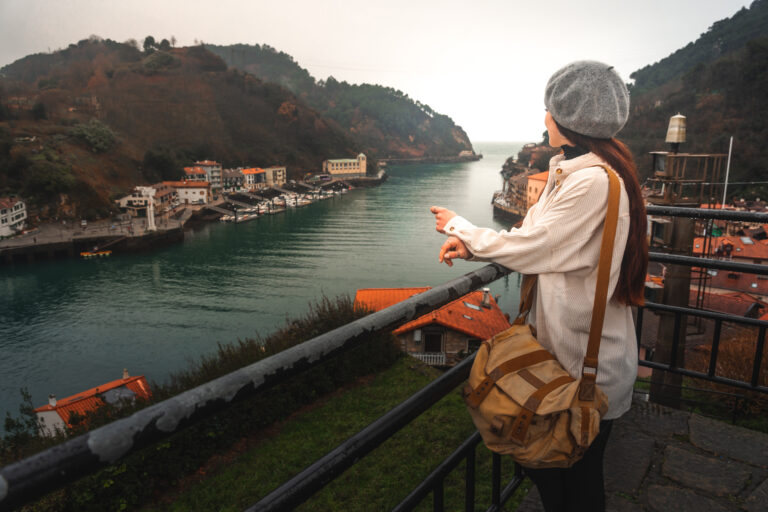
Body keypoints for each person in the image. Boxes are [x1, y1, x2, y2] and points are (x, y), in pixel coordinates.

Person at [430, 60, 648, 512]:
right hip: (567, 351)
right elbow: (531, 236)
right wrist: (474, 249)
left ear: (566, 118)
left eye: (548, 109)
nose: (544, 117)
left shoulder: (590, 181)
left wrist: (461, 226)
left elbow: (535, 247)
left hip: (585, 364)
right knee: (562, 474)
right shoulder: (572, 169)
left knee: (575, 480)